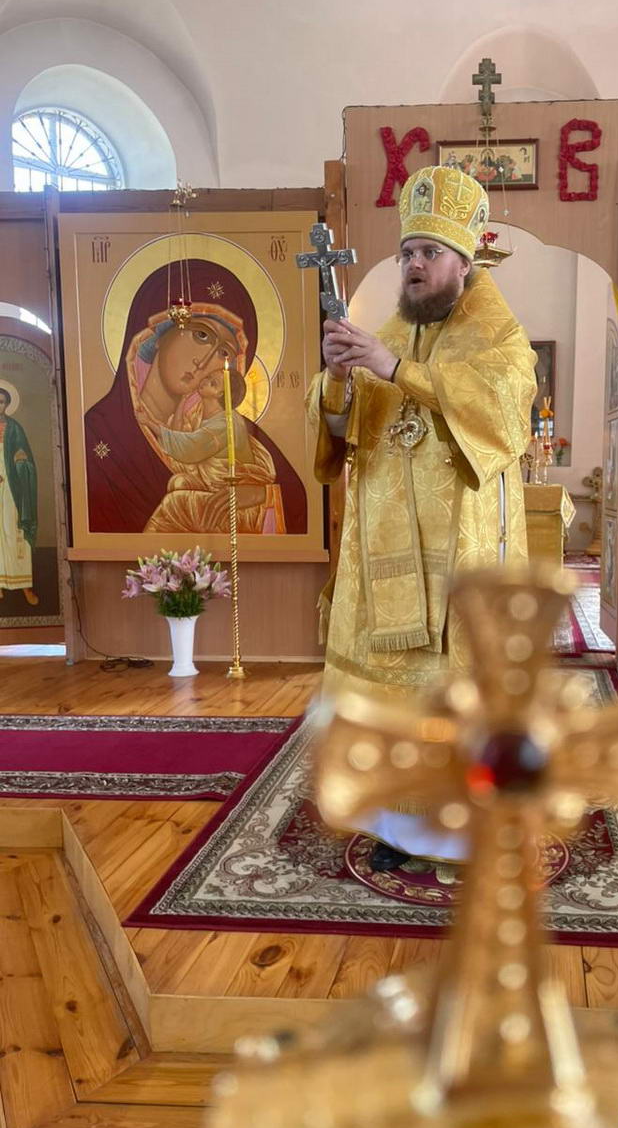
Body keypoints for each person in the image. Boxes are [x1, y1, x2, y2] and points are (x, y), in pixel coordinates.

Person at [306, 165, 537, 871]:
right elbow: (343, 432)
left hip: (460, 564)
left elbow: (502, 414)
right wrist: (338, 381)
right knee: (392, 704)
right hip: (383, 561)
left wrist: (396, 370)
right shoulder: (389, 333)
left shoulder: (499, 338)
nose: (414, 264)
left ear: (464, 263)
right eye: (408, 252)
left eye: (429, 253)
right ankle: (399, 828)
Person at [84, 259, 307, 536]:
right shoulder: (100, 433)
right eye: (201, 334)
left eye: (224, 352)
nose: (204, 361)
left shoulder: (229, 424)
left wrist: (258, 494)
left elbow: (296, 503)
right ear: (159, 333)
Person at [137, 369, 278, 533]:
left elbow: (189, 448)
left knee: (173, 502)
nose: (204, 381)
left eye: (213, 383)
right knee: (178, 482)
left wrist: (149, 423)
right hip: (213, 489)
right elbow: (179, 435)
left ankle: (146, 546)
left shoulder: (226, 423)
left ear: (220, 394)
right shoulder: (199, 413)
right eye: (208, 377)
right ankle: (183, 547)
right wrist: (183, 400)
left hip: (231, 503)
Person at [0, 386, 38, 605]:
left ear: (7, 404)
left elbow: (25, 458)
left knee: (14, 529)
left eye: (2, 402)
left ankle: (23, 585)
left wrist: (21, 462)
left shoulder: (14, 428)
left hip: (12, 485)